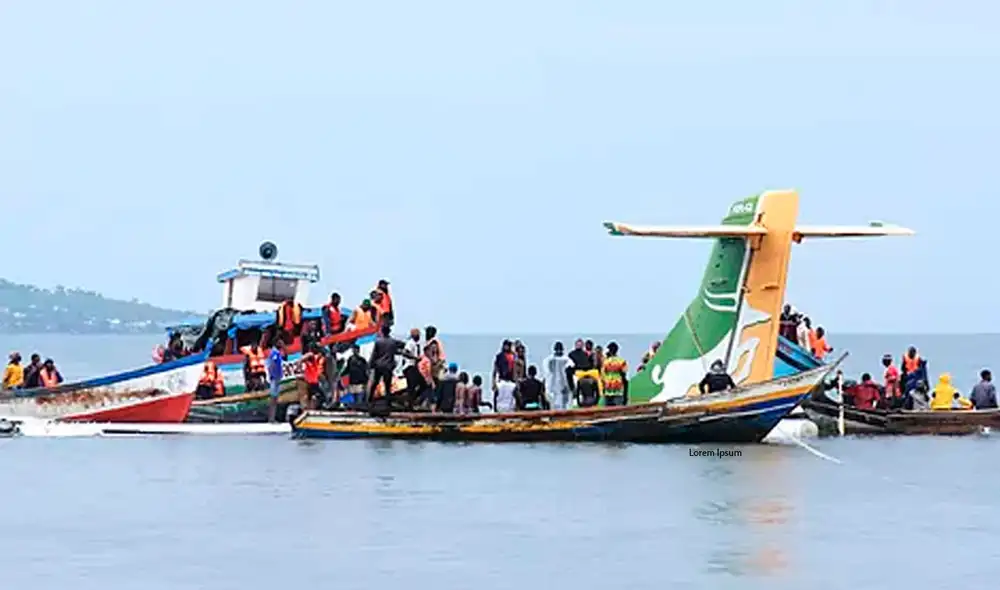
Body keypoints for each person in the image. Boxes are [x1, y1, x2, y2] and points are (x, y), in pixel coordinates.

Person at [368, 323, 407, 403]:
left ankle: (369, 400)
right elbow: (403, 345)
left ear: (382, 331)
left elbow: (374, 354)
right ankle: (387, 402)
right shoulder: (393, 342)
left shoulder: (378, 342)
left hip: (379, 365)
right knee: (387, 385)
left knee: (375, 383)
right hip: (388, 366)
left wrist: (370, 365)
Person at [542, 342, 572, 409]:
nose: (558, 351)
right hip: (553, 386)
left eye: (560, 349)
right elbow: (547, 373)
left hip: (564, 387)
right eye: (557, 350)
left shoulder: (567, 360)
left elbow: (570, 372)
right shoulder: (549, 360)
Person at [492, 339, 517, 412]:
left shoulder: (513, 356)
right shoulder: (500, 356)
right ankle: (496, 409)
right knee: (498, 394)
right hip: (502, 378)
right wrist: (493, 382)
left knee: (512, 396)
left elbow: (515, 368)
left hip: (511, 380)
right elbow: (495, 369)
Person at [343, 342, 370, 408]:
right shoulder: (350, 359)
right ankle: (354, 407)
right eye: (353, 349)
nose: (354, 351)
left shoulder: (362, 360)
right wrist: (341, 374)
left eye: (355, 349)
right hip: (352, 380)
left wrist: (366, 379)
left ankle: (358, 407)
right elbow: (348, 369)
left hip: (360, 381)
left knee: (359, 396)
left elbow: (366, 370)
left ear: (358, 350)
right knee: (353, 395)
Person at [601, 342, 629, 406]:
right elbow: (624, 375)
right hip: (618, 390)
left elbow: (602, 376)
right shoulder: (621, 361)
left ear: (609, 351)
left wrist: (603, 389)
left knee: (608, 410)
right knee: (619, 410)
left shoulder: (605, 362)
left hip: (608, 390)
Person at [266, 340, 286, 422]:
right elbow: (271, 365)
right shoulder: (274, 353)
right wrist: (272, 375)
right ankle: (271, 418)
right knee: (273, 398)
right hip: (274, 378)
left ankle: (273, 417)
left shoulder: (278, 353)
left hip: (277, 377)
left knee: (275, 398)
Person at [301, 346, 326, 410]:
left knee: (310, 395)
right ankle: (311, 408)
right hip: (313, 382)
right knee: (315, 396)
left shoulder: (309, 363)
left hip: (310, 381)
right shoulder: (313, 360)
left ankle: (308, 408)